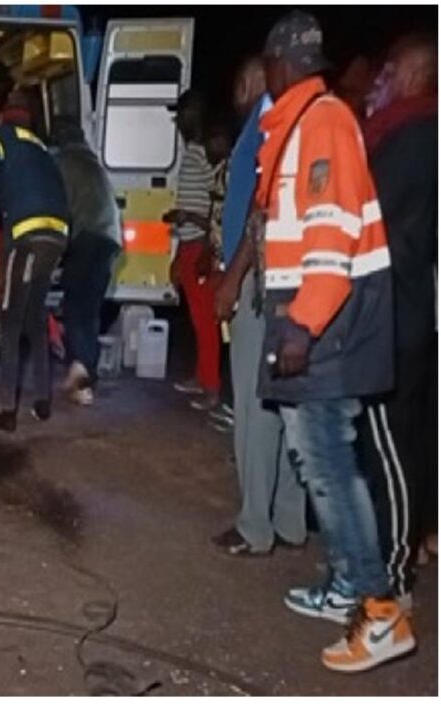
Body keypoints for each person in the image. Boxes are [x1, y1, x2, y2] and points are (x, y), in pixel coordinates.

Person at [257, 10, 414, 672]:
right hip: (310, 317)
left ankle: (381, 613)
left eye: (265, 65)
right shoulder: (300, 123)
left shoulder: (320, 122)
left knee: (328, 461)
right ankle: (348, 584)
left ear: (280, 64)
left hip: (325, 323)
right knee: (314, 455)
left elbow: (332, 229)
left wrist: (305, 321)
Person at [211, 57, 307, 557]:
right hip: (285, 282)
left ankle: (254, 526)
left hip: (258, 283)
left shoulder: (269, 122)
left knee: (253, 406)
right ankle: (289, 520)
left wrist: (232, 278)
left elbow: (260, 209)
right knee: (281, 403)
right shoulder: (299, 119)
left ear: (254, 78)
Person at [356, 34, 438, 609]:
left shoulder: (408, 138)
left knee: (387, 448)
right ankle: (413, 542)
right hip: (412, 314)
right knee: (408, 439)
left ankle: (391, 581)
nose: (376, 85)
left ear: (411, 74)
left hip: (395, 315)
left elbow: (367, 225)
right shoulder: (417, 134)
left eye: (386, 74)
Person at [0, 88, 70, 433]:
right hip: (58, 234)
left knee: (9, 320)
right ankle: (42, 403)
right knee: (35, 317)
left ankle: (8, 409)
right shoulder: (40, 147)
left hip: (27, 234)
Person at [52, 122, 123, 406]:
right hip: (109, 239)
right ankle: (83, 373)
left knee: (75, 305)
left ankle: (80, 374)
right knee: (90, 308)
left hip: (87, 237)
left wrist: (57, 255)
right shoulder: (93, 164)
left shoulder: (63, 163)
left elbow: (62, 210)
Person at [164, 90, 221, 412]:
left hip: (200, 245)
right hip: (189, 244)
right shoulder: (191, 156)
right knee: (198, 319)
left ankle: (212, 387)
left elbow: (218, 205)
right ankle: (202, 377)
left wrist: (191, 221)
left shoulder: (202, 157)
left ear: (194, 117)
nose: (178, 121)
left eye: (182, 115)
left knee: (205, 320)